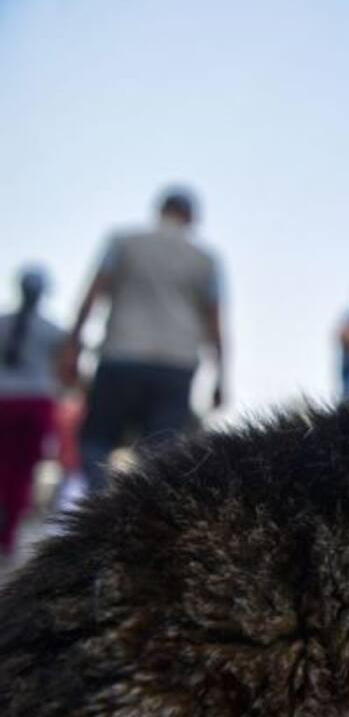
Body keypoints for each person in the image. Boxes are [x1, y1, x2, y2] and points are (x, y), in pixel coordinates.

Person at [61, 187, 227, 491]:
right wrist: (221, 377)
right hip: (176, 366)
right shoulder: (206, 260)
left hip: (121, 356)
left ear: (160, 210)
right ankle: (135, 515)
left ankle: (100, 500)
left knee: (96, 440)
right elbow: (216, 323)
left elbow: (92, 295)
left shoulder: (124, 242)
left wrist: (72, 347)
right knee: (160, 451)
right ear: (191, 218)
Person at [0, 265, 66, 560]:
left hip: (4, 400)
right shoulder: (52, 331)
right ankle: (7, 536)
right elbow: (68, 368)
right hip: (35, 403)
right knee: (22, 471)